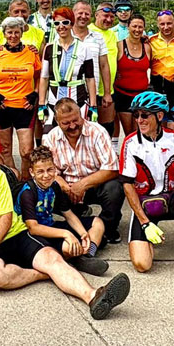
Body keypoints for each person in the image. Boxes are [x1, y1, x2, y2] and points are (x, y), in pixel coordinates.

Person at [0, 137, 131, 320]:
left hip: (15, 234)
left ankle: (94, 296)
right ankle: (45, 273)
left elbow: (5, 218)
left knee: (51, 259)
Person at [118, 92, 174, 284]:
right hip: (146, 204)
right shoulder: (131, 143)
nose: (139, 120)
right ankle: (147, 236)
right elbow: (127, 186)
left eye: (144, 115)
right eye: (136, 115)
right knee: (142, 264)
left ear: (159, 116)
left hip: (172, 199)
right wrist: (145, 223)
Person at [41, 98, 125, 244]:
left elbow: (112, 168)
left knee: (114, 187)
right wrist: (65, 187)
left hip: (95, 184)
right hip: (67, 188)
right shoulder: (51, 137)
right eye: (66, 123)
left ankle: (108, 227)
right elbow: (50, 172)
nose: (73, 126)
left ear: (81, 115)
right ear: (57, 121)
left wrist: (82, 185)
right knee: (42, 187)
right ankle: (73, 219)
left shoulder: (97, 131)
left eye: (76, 120)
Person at [15, 146, 109, 275]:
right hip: (34, 235)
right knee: (68, 246)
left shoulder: (54, 186)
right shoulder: (28, 192)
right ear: (32, 172)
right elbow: (33, 228)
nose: (46, 175)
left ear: (55, 169)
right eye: (40, 171)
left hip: (50, 225)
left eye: (50, 170)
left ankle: (87, 256)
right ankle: (78, 256)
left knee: (97, 223)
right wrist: (66, 233)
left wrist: (83, 234)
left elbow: (68, 214)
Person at [0, 16, 41, 176]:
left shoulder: (31, 52)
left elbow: (39, 77)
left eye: (16, 32)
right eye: (9, 32)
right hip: (1, 105)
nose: (13, 36)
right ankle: (14, 179)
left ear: (21, 33)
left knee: (27, 151)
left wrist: (35, 93)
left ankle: (26, 180)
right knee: (5, 149)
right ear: (4, 34)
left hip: (24, 106)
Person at [37, 7, 97, 130]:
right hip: (54, 103)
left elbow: (90, 78)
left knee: (78, 136)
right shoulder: (49, 48)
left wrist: (93, 105)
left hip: (78, 101)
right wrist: (41, 104)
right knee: (49, 136)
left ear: (71, 24)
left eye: (65, 22)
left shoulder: (84, 48)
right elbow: (44, 78)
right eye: (57, 23)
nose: (61, 27)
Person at [148, 10, 174, 131]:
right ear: (157, 24)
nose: (166, 27)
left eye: (169, 23)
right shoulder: (150, 41)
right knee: (157, 127)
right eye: (162, 24)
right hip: (157, 88)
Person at [71, 1, 112, 124]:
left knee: (90, 128)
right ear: (73, 14)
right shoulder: (64, 35)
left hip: (92, 93)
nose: (83, 17)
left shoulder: (98, 37)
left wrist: (107, 93)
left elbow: (104, 65)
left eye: (87, 14)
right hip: (69, 92)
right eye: (80, 13)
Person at [113, 15, 150, 137]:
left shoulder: (147, 47)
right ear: (128, 27)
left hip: (142, 97)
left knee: (141, 133)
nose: (137, 30)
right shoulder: (119, 45)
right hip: (122, 95)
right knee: (130, 134)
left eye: (140, 27)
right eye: (134, 26)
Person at [88, 2, 119, 138]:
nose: (109, 19)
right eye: (105, 16)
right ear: (96, 15)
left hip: (107, 90)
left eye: (112, 17)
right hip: (89, 91)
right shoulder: (87, 31)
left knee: (107, 129)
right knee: (90, 130)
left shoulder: (112, 34)